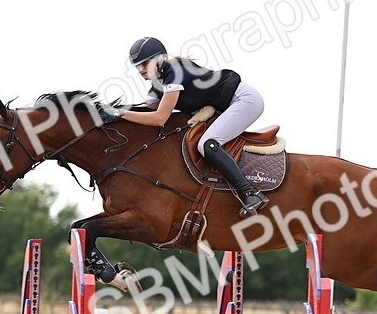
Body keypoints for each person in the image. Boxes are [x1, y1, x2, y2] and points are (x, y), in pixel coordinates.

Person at [115, 37, 269, 216]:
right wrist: (114, 110)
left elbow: (159, 118)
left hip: (245, 100)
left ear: (159, 59)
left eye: (145, 63)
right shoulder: (159, 83)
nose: (140, 70)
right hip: (232, 103)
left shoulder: (175, 71)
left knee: (207, 144)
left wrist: (120, 114)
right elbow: (145, 109)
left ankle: (250, 192)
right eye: (137, 66)